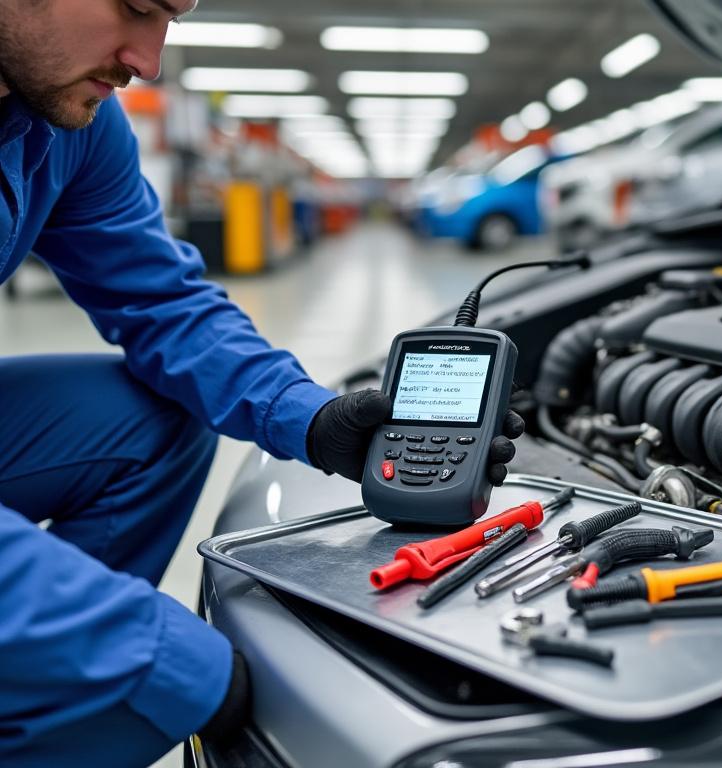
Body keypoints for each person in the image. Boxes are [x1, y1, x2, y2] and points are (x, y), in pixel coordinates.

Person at [0, 2, 524, 765]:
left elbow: (161, 301)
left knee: (152, 414)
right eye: (135, 7)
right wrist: (156, 654)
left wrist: (309, 418)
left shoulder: (68, 125)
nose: (148, 60)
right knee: (145, 681)